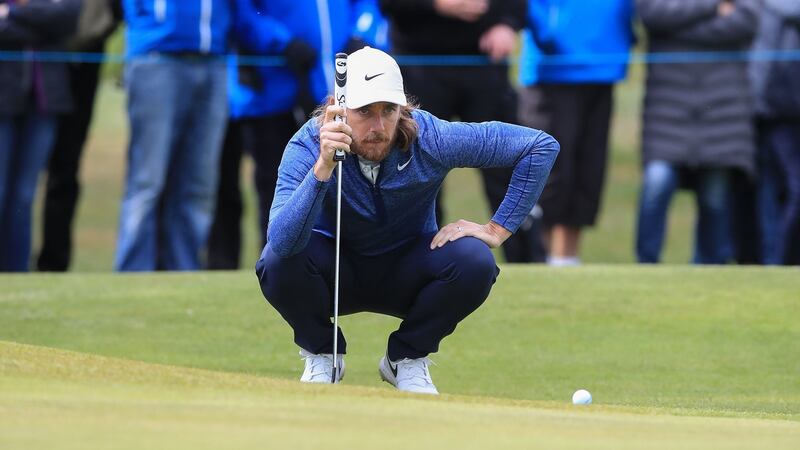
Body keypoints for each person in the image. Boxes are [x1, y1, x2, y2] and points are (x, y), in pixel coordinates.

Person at [255, 47, 559, 394]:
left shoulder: (432, 138)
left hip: (406, 268)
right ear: (338, 111)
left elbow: (539, 146)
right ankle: (323, 353)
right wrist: (322, 168)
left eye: (389, 110)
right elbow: (282, 242)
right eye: (364, 112)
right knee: (277, 262)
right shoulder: (310, 143)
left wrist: (496, 229)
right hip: (332, 273)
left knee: (475, 262)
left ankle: (407, 358)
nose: (379, 126)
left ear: (404, 108)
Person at [208, 0, 389, 270]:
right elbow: (245, 14)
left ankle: (336, 265)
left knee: (345, 184)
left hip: (339, 96)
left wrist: (361, 35)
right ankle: (275, 265)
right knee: (276, 186)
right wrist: (284, 42)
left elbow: (367, 6)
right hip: (274, 94)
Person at [379, 0, 545, 263]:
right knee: (414, 171)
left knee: (509, 167)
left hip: (484, 62)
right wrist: (436, 5)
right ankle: (417, 261)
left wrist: (507, 23)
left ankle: (531, 266)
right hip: (418, 64)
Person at [115, 0, 273, 271]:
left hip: (214, 63)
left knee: (199, 184)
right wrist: (151, 24)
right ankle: (133, 273)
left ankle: (184, 272)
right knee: (147, 181)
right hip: (156, 58)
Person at [635, 0, 758, 264]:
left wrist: (676, 27)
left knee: (715, 199)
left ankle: (708, 270)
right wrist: (713, 6)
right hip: (666, 111)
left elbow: (746, 22)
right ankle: (645, 267)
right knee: (657, 184)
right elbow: (653, 15)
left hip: (724, 112)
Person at [518, 0, 635, 266]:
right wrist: (548, 33)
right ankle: (542, 259)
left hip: (604, 64)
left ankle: (567, 258)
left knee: (588, 171)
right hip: (552, 70)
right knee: (551, 172)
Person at [37, 0, 123, 272]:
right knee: (20, 175)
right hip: (37, 55)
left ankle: (53, 264)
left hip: (86, 57)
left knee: (65, 168)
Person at [0, 0, 81, 272]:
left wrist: (12, 12)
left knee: (24, 195)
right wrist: (41, 24)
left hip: (44, 101)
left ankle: (15, 272)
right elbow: (51, 23)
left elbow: (67, 19)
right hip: (4, 101)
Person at [750, 0, 800, 265]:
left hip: (774, 105)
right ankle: (776, 262)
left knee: (777, 190)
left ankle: (776, 261)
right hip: (778, 107)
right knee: (774, 190)